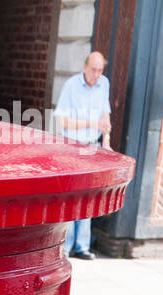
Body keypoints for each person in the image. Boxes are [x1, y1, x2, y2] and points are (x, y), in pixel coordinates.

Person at [54, 52, 112, 259]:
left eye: (100, 70)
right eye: (93, 70)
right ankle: (65, 246)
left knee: (88, 196)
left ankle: (82, 246)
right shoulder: (71, 85)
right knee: (71, 196)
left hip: (92, 146)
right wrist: (92, 123)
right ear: (85, 66)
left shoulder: (104, 83)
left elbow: (105, 114)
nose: (97, 75)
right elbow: (64, 122)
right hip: (72, 146)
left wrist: (106, 140)